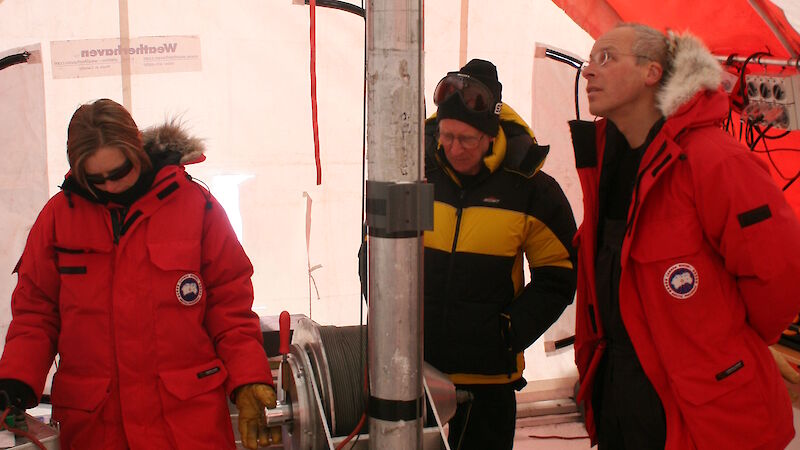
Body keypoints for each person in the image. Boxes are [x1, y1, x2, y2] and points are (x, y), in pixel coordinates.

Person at [570, 23, 800, 449]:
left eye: (606, 58)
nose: (588, 71)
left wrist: (721, 346)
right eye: (589, 61)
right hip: (619, 394)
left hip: (703, 407)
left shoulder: (714, 160)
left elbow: (780, 277)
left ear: (651, 72)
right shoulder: (605, 163)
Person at [0, 99, 278, 449]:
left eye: (119, 172)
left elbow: (230, 308)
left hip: (186, 426)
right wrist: (14, 381)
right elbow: (36, 314)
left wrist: (249, 378)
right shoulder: (58, 219)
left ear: (137, 151)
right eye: (95, 179)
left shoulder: (196, 207)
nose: (111, 186)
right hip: (96, 428)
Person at [424, 59, 578, 449]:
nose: (454, 148)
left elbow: (560, 274)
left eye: (467, 139)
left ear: (491, 136)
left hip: (487, 382)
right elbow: (374, 248)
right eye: (447, 136)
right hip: (415, 371)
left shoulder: (530, 188)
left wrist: (508, 333)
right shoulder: (417, 173)